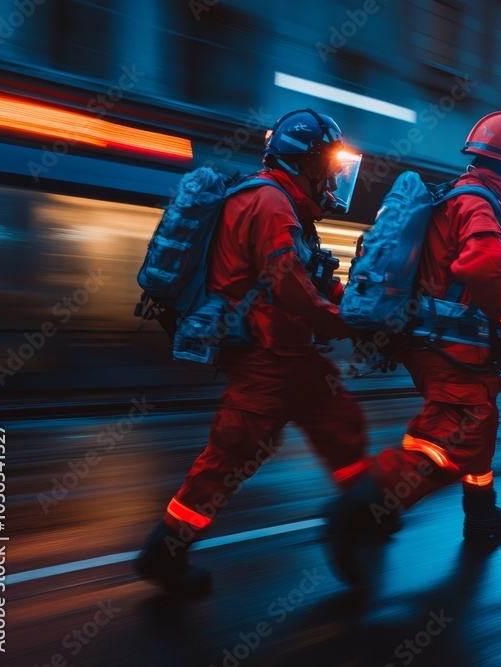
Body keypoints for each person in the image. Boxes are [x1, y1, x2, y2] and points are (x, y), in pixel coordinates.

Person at [135, 108, 371, 593]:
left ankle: (367, 510)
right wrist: (343, 321)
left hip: (289, 356)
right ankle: (165, 551)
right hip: (267, 358)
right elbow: (288, 287)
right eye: (328, 164)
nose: (333, 177)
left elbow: (305, 280)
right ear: (304, 160)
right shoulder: (270, 202)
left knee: (341, 425)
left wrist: (349, 299)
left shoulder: (283, 202)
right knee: (230, 457)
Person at [327, 111, 501, 583]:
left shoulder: (471, 195)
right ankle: (360, 511)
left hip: (450, 344)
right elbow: (483, 270)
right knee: (448, 441)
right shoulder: (479, 201)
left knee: (480, 424)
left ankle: (482, 516)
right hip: (452, 346)